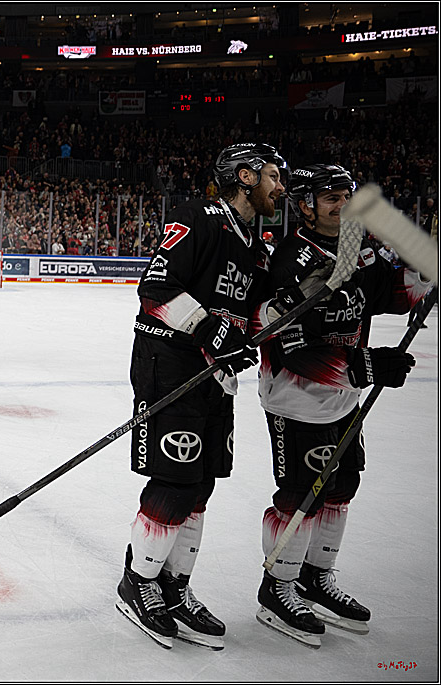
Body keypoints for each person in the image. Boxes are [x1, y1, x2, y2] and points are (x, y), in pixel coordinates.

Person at [251, 164, 433, 647]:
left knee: (343, 483)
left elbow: (390, 294)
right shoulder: (289, 258)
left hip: (342, 398)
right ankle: (278, 588)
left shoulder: (355, 248)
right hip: (297, 398)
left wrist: (424, 274)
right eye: (330, 197)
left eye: (346, 196)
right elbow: (287, 344)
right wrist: (365, 366)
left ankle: (316, 576)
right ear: (305, 204)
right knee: (300, 494)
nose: (342, 204)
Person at [118, 143, 287, 649]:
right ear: (244, 176)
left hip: (214, 375)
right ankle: (139, 583)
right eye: (273, 176)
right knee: (174, 480)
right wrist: (211, 329)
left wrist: (280, 317)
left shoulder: (254, 243)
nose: (280, 186)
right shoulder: (200, 216)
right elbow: (156, 287)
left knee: (201, 485)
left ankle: (174, 586)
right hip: (169, 365)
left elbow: (254, 314)